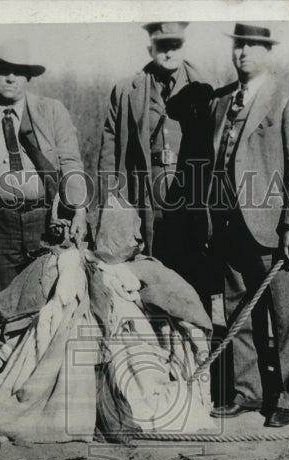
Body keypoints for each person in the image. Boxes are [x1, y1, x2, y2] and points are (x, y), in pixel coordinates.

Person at [206, 23, 289, 429]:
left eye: (253, 45)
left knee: (284, 316)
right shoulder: (220, 102)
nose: (244, 53)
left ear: (268, 50)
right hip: (230, 226)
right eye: (239, 45)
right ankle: (246, 392)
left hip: (275, 228)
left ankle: (287, 395)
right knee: (238, 310)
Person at [0, 39, 88, 331]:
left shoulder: (51, 112)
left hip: (45, 221)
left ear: (28, 77)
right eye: (2, 71)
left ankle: (41, 372)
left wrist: (78, 210)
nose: (10, 78)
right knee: (5, 303)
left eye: (17, 71)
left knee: (49, 297)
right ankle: (4, 370)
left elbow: (71, 164)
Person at [96, 22, 212, 304]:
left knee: (193, 284)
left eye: (176, 46)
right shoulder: (127, 90)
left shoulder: (208, 88)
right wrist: (110, 201)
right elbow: (109, 152)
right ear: (151, 48)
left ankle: (198, 347)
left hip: (191, 200)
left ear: (185, 46)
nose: (169, 53)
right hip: (146, 201)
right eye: (162, 46)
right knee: (148, 282)